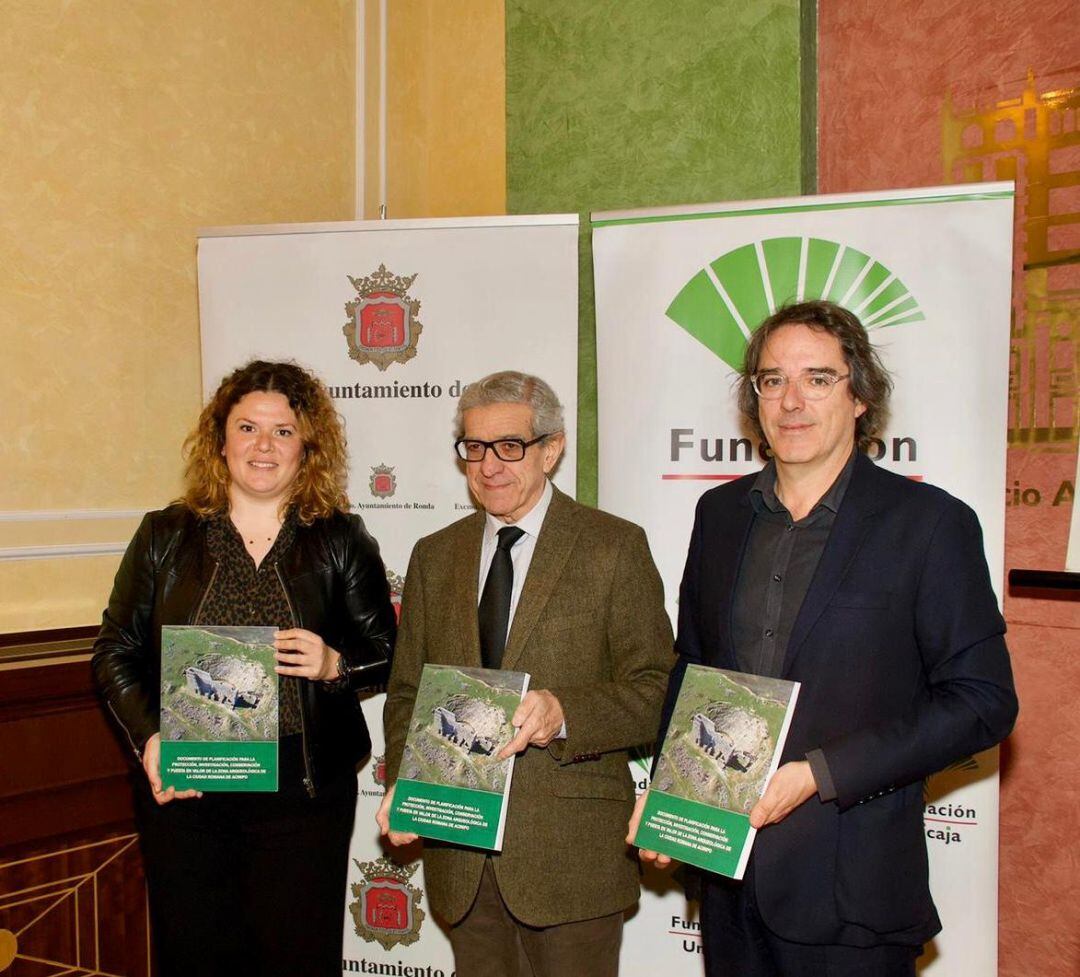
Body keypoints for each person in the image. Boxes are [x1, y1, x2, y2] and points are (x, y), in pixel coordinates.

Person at [629, 301, 1018, 977]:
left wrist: (820, 774)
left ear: (861, 393)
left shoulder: (929, 524)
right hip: (727, 881)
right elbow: (693, 666)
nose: (792, 400)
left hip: (851, 894)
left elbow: (983, 701)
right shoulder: (718, 516)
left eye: (818, 377)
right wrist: (675, 795)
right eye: (773, 380)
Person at [92, 360, 396, 977]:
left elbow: (392, 653)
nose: (264, 446)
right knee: (196, 956)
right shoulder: (164, 536)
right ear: (220, 439)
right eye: (248, 428)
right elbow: (114, 650)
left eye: (283, 431)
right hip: (187, 782)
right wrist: (151, 738)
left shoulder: (340, 539)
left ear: (307, 446)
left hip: (302, 791)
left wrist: (336, 663)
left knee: (296, 960)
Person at [376, 370, 673, 977]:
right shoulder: (435, 556)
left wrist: (565, 712)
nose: (489, 466)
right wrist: (410, 784)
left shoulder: (613, 547)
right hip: (461, 854)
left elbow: (657, 691)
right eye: (475, 448)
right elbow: (408, 693)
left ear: (552, 448)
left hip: (572, 859)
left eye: (510, 446)